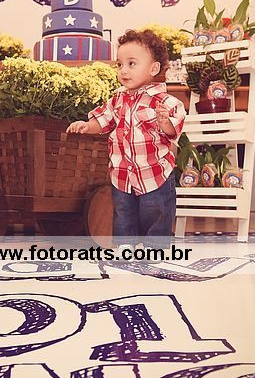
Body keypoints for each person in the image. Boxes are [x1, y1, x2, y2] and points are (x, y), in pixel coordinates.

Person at [66, 29, 186, 260]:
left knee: (157, 211)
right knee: (123, 212)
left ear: (153, 68)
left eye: (131, 64)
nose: (123, 70)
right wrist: (87, 125)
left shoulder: (165, 101)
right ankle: (125, 246)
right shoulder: (117, 99)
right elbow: (103, 120)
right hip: (123, 173)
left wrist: (164, 123)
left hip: (154, 172)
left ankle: (155, 247)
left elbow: (173, 130)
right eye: (120, 64)